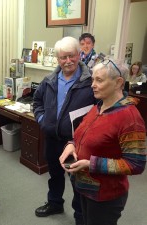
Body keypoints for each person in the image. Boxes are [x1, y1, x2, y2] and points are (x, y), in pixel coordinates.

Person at [59, 59, 146, 225]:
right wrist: (70, 145)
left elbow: (136, 164)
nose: (92, 85)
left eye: (99, 80)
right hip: (84, 187)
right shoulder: (98, 106)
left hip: (104, 196)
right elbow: (80, 135)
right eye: (92, 79)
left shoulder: (130, 118)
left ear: (118, 82)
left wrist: (90, 164)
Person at [33, 36, 97, 225]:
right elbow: (37, 102)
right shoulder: (49, 80)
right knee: (54, 174)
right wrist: (43, 120)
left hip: (76, 143)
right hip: (52, 138)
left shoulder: (90, 81)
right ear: (57, 59)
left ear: (79, 55)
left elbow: (100, 110)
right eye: (63, 57)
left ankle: (80, 216)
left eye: (71, 56)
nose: (67, 61)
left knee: (77, 180)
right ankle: (55, 203)